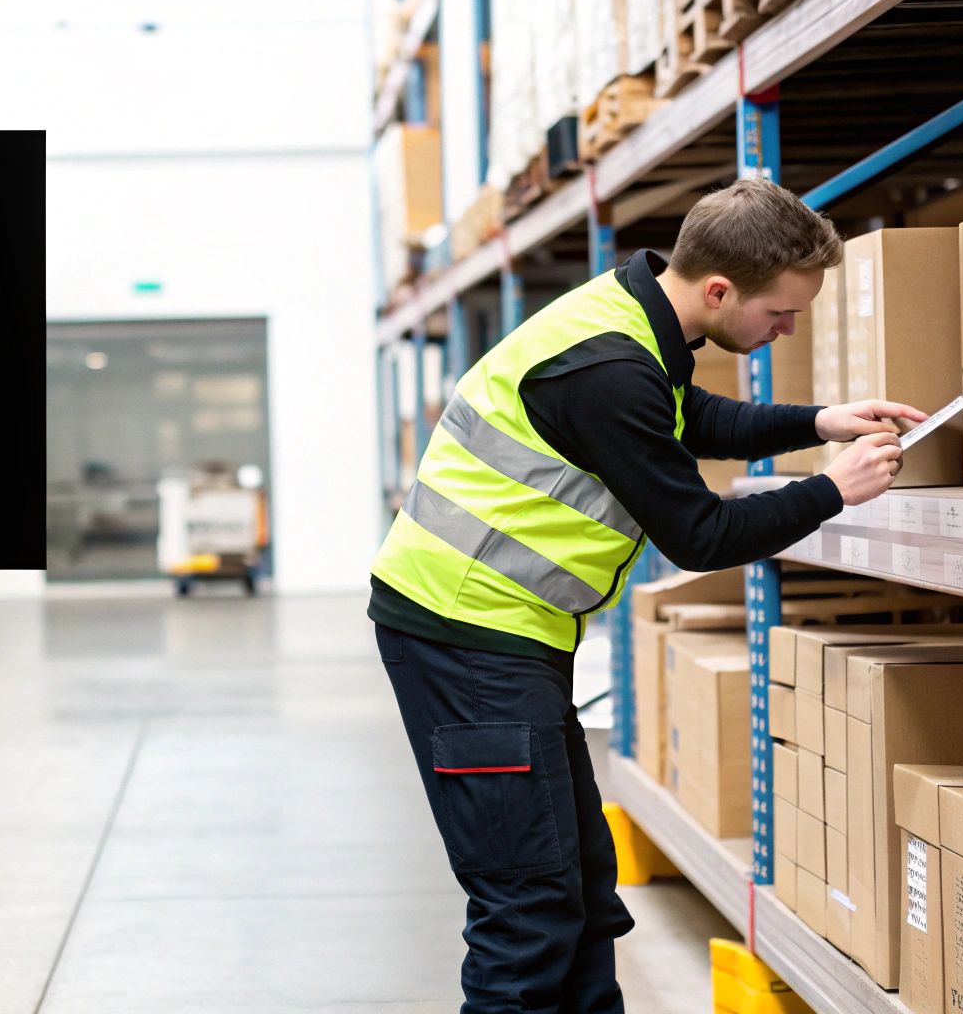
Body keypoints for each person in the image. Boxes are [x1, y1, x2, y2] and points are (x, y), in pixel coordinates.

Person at [367, 178, 920, 1012]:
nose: (788, 330)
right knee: (529, 911)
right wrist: (832, 491)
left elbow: (686, 416)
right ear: (719, 289)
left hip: (507, 634)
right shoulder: (609, 368)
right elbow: (699, 536)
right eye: (780, 314)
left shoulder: (632, 317)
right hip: (467, 635)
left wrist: (819, 422)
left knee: (583, 894)